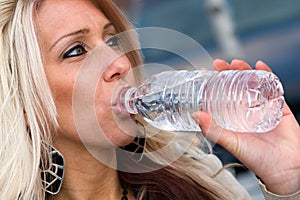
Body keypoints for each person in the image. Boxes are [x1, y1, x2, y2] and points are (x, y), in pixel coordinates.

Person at [0, 0, 299, 199]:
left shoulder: (198, 178)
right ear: (27, 104)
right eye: (75, 51)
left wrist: (288, 180)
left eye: (112, 40)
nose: (119, 63)